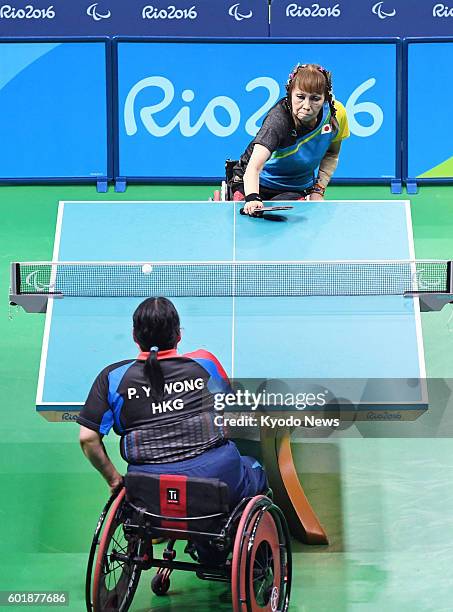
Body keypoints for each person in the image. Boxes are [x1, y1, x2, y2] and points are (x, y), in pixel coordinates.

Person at [77, 296, 267, 515]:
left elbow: (87, 438)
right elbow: (226, 406)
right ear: (178, 334)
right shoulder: (204, 363)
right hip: (217, 480)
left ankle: (159, 526)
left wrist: (113, 480)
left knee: (157, 502)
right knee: (255, 468)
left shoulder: (112, 378)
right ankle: (216, 545)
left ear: (134, 336)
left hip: (150, 490)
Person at [231, 63, 350, 215]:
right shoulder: (278, 120)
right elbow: (254, 167)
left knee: (290, 224)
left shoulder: (336, 114)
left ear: (325, 98)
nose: (306, 106)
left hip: (294, 187)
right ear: (290, 93)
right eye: (300, 97)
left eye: (315, 99)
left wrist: (318, 190)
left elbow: (332, 154)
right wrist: (253, 197)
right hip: (256, 182)